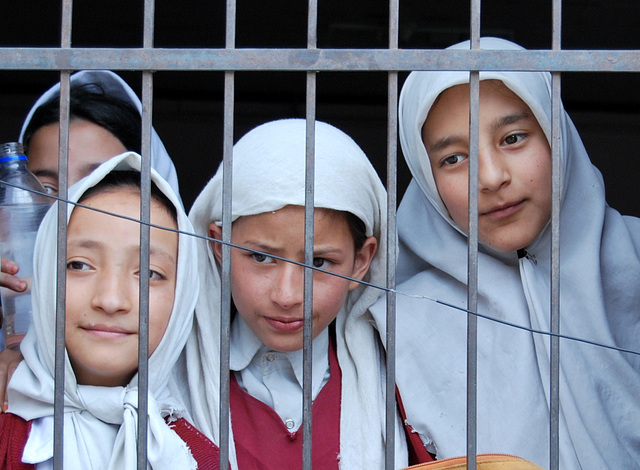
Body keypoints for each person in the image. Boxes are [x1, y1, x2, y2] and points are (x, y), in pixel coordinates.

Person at [370, 37, 640, 469]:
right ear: (424, 177)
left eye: (513, 138)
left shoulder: (635, 261)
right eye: (453, 159)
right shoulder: (396, 322)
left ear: (557, 137)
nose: (491, 177)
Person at [175, 119, 410, 468]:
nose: (287, 296)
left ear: (362, 262)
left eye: (319, 262)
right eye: (261, 257)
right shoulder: (167, 380)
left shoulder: (400, 380)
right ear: (218, 248)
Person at [0, 152, 217, 469]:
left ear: (183, 296)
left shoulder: (196, 458)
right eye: (79, 265)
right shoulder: (7, 436)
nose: (111, 300)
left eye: (149, 273)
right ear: (45, 274)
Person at [0, 69, 181, 357]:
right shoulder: (9, 294)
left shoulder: (197, 361)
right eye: (46, 189)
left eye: (98, 184)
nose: (67, 208)